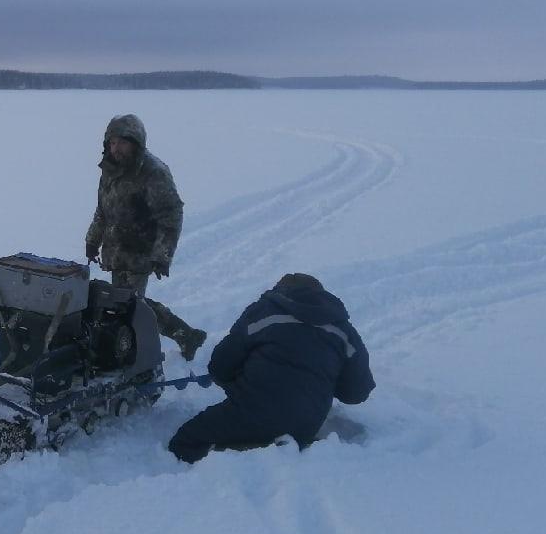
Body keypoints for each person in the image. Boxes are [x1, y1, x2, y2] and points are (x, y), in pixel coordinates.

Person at [167, 273, 373, 463]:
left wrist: (239, 382)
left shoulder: (264, 311)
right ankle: (286, 451)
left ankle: (244, 453)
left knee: (184, 442)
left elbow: (220, 365)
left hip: (249, 412)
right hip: (307, 425)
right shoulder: (343, 330)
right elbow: (357, 393)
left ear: (281, 291)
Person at [84, 114, 207, 361]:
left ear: (136, 142)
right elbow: (103, 210)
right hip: (116, 250)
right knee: (128, 301)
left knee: (128, 306)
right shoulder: (110, 169)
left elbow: (171, 214)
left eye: (122, 142)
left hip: (140, 251)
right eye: (112, 142)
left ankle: (133, 354)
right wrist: (92, 240)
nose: (116, 148)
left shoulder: (153, 172)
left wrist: (162, 255)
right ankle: (186, 334)